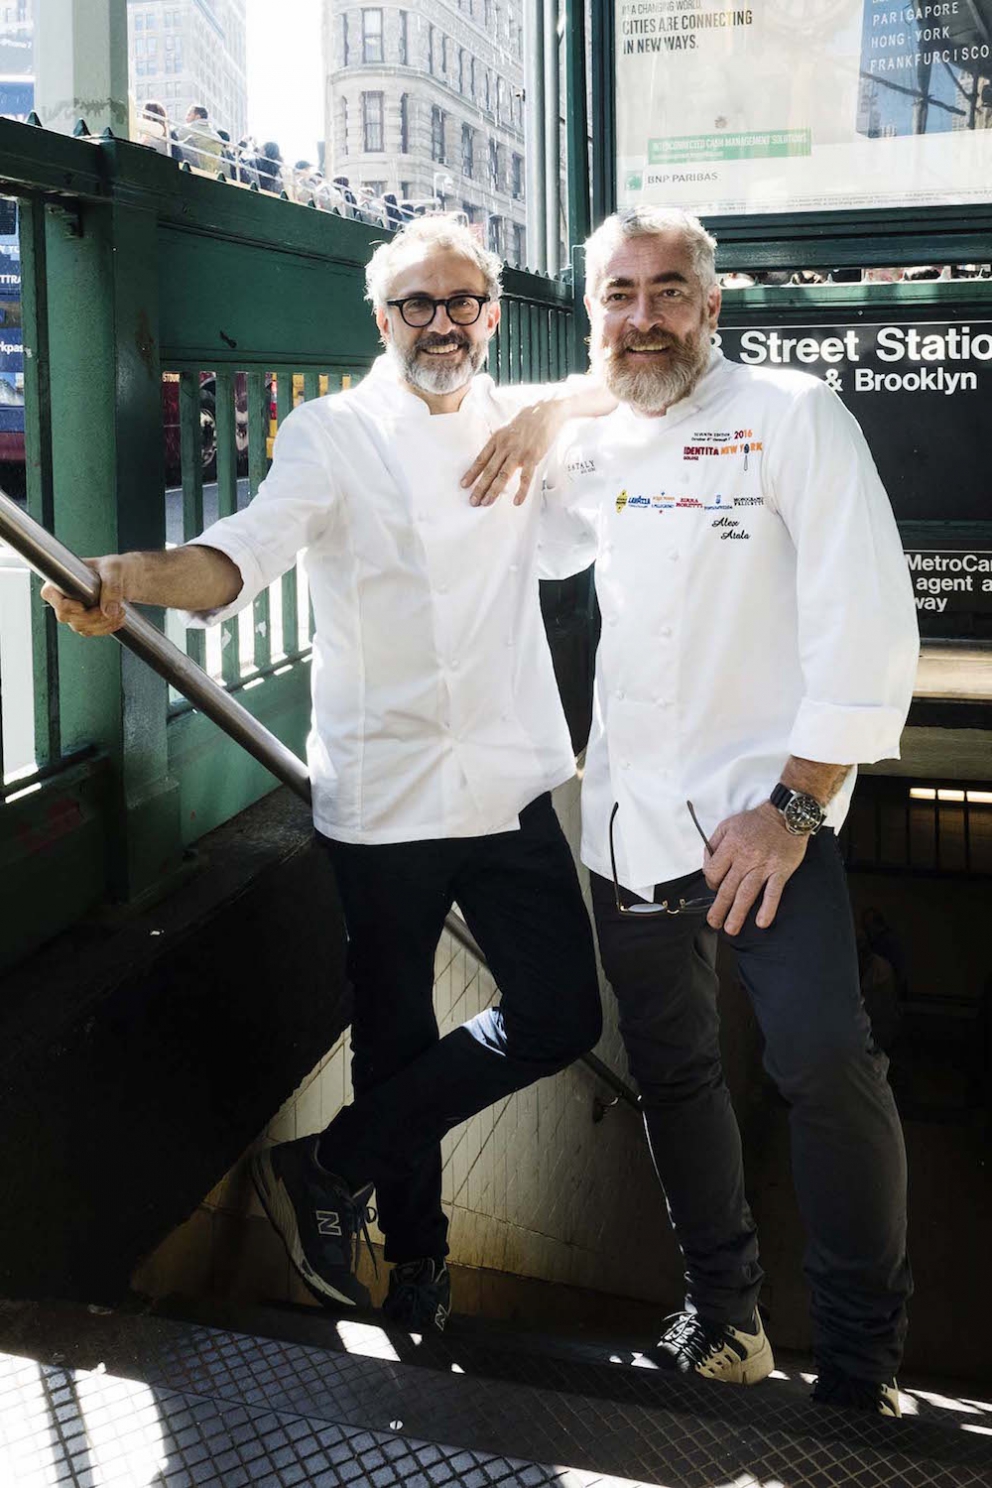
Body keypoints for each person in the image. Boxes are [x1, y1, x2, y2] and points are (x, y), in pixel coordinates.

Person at [41, 216, 613, 1334]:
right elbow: (240, 554)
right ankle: (420, 1270)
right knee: (394, 1041)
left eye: (459, 303)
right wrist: (127, 577)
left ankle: (324, 1169)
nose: (438, 324)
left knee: (559, 1015)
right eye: (414, 305)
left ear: (492, 316)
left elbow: (650, 384)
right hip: (387, 795)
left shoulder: (522, 420)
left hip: (505, 779)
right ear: (380, 318)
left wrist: (560, 403)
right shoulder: (332, 432)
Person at [525, 206, 919, 1415]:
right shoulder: (593, 438)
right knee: (672, 1070)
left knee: (821, 1067)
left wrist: (792, 811)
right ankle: (725, 1317)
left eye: (665, 291)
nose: (640, 318)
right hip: (629, 821)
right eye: (616, 296)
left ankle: (858, 1366)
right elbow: (534, 548)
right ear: (593, 312)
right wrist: (548, 413)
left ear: (711, 301)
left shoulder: (793, 415)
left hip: (767, 832)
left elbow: (867, 624)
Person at [174, 104, 224, 174]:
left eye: (189, 115)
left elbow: (174, 143)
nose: (186, 118)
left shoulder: (186, 129)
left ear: (197, 117)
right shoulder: (217, 137)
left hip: (191, 169)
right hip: (211, 173)